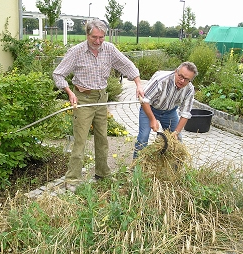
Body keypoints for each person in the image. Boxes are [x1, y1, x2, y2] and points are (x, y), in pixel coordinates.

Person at [53, 19, 144, 192]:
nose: (98, 41)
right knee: (80, 140)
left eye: (101, 37)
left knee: (102, 138)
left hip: (101, 98)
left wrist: (139, 84)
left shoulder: (109, 49)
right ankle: (73, 179)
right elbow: (58, 74)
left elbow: (127, 65)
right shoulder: (76, 51)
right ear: (87, 35)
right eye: (94, 37)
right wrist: (70, 93)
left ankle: (102, 173)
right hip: (83, 99)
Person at [133, 62, 198, 158]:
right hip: (149, 108)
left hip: (170, 112)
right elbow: (144, 100)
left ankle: (176, 170)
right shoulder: (161, 80)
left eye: (186, 79)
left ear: (190, 80)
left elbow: (185, 113)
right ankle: (135, 168)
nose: (182, 81)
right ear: (176, 71)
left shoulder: (189, 89)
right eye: (180, 76)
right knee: (143, 138)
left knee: (177, 140)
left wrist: (176, 132)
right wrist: (152, 119)